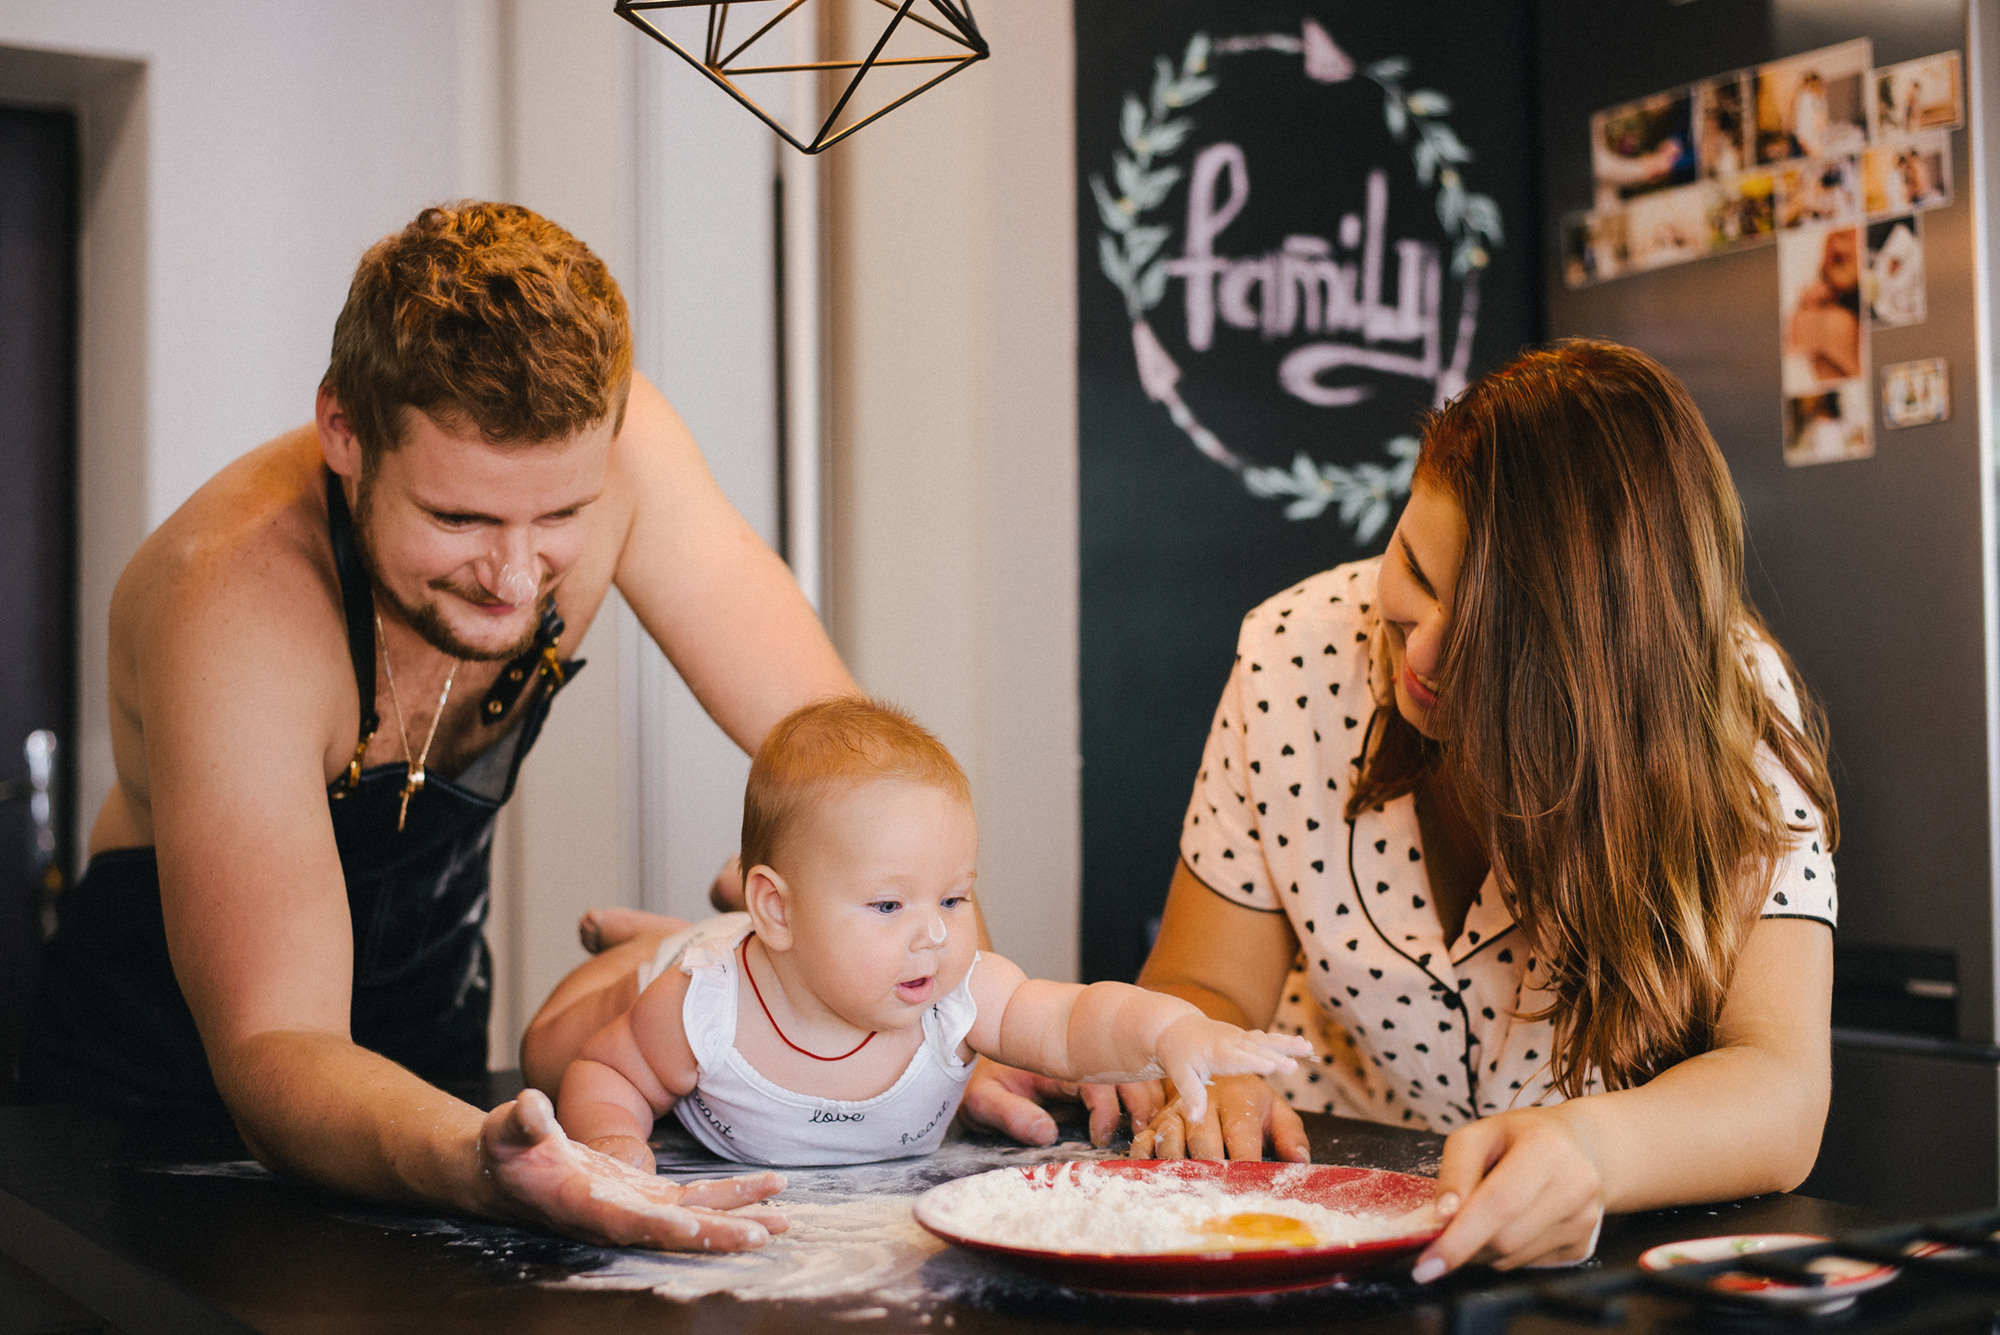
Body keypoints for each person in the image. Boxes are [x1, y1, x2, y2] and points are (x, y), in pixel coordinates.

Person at [21, 202, 859, 1252]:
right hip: (152, 1109)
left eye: (561, 518)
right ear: (344, 432)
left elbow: (848, 764)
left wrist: (953, 1012)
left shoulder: (625, 450)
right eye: (459, 518)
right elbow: (279, 1038)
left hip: (436, 1071)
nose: (513, 577)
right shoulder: (229, 599)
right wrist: (493, 1167)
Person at [1124, 341, 1837, 1281]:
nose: (1422, 653)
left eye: (1489, 634)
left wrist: (1590, 1149)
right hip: (1322, 1214)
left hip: (1605, 1252)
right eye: (1416, 572)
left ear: (1597, 655)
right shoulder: (1290, 652)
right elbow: (1203, 983)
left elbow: (1781, 1084)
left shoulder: (1730, 702)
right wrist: (1213, 1069)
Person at [523, 698, 1308, 1170]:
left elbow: (1073, 1019)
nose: (933, 932)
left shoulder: (956, 995)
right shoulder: (700, 1006)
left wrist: (1171, 1029)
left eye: (955, 897)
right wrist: (613, 1145)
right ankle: (658, 940)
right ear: (781, 909)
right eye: (888, 905)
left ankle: (722, 912)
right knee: (549, 1048)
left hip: (778, 941)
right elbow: (607, 1073)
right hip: (685, 967)